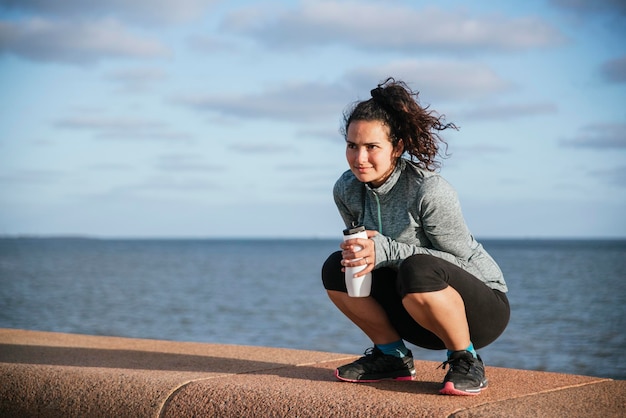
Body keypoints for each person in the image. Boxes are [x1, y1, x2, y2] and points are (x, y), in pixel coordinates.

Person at [321, 77, 510, 396]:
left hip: (480, 309)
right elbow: (371, 255)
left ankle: (466, 359)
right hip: (414, 308)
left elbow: (466, 264)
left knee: (417, 267)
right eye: (352, 145)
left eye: (371, 147)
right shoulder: (346, 189)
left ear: (397, 148)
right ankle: (392, 356)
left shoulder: (429, 191)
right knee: (338, 267)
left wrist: (389, 251)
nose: (359, 158)